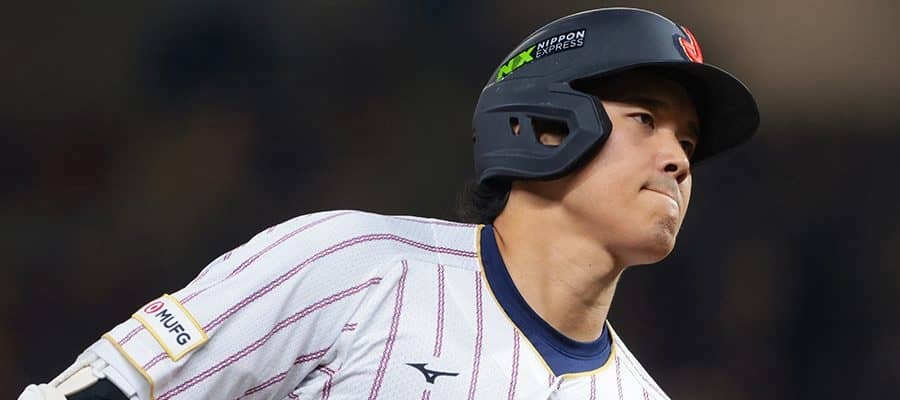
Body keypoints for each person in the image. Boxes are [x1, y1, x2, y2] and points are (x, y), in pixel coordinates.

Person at [19, 7, 759, 400]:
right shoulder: (352, 266)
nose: (676, 159)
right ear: (544, 126)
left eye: (689, 142)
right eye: (645, 119)